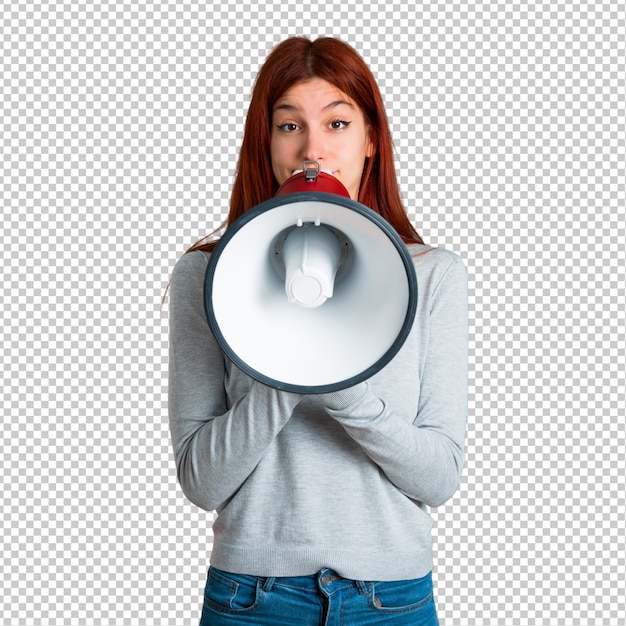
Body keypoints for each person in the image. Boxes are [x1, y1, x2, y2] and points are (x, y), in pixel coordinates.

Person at [168, 36, 468, 626]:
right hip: (251, 597)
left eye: (337, 122)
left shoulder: (433, 275)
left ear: (371, 141)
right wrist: (286, 361)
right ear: (267, 141)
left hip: (391, 599)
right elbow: (201, 481)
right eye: (289, 126)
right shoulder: (207, 275)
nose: (313, 149)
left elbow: (439, 477)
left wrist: (344, 382)